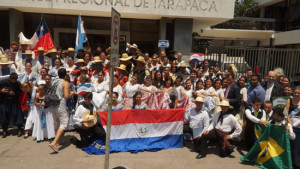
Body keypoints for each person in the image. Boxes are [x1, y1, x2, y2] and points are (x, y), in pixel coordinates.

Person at [49, 68, 74, 153]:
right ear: (65, 74)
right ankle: (54, 142)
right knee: (64, 123)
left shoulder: (54, 81)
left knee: (56, 123)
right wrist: (72, 93)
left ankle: (58, 141)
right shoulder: (65, 83)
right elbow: (66, 96)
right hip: (60, 104)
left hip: (53, 104)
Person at [0, 73, 23, 138]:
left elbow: (21, 92)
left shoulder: (18, 83)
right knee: (4, 116)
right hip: (5, 101)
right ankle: (5, 130)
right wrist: (1, 91)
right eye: (13, 80)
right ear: (9, 78)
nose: (14, 81)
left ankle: (19, 129)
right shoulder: (3, 82)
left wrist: (15, 93)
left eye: (15, 80)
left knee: (17, 115)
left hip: (14, 101)